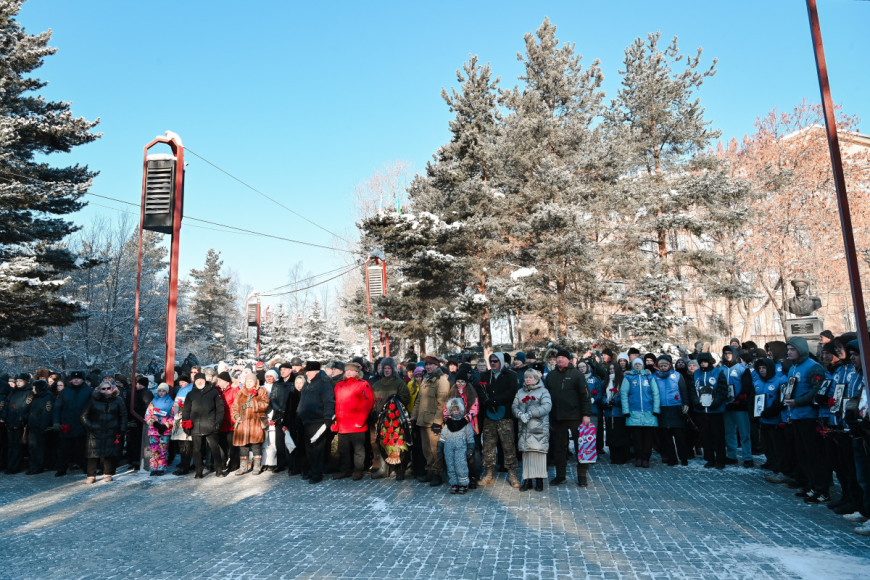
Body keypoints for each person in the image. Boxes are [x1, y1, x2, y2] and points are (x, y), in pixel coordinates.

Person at [784, 336, 830, 503]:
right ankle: (810, 485)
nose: (789, 352)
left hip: (809, 416)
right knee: (803, 454)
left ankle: (822, 489)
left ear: (801, 350)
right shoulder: (793, 367)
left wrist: (798, 401)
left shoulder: (813, 367)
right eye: (788, 350)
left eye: (792, 349)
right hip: (796, 415)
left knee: (814, 454)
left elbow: (817, 391)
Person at [544, 348, 592, 487]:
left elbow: (585, 396)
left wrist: (586, 414)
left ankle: (582, 475)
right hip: (558, 417)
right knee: (559, 448)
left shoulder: (577, 374)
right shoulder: (551, 375)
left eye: (562, 358)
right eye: (558, 358)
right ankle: (560, 475)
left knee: (580, 446)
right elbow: (546, 395)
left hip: (576, 417)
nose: (559, 359)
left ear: (569, 360)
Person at [478, 352, 520, 488]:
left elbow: (512, 391)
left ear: (501, 361)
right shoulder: (485, 375)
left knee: (508, 445)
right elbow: (480, 390)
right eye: (491, 361)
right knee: (488, 446)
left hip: (505, 416)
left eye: (495, 361)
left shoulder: (510, 375)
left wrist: (496, 400)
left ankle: (512, 473)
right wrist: (486, 401)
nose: (493, 363)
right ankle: (489, 472)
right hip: (489, 416)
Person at [412, 356, 451, 486]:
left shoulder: (441, 380)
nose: (428, 367)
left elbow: (442, 403)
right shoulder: (426, 378)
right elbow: (419, 400)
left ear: (437, 365)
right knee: (426, 450)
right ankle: (429, 471)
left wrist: (438, 422)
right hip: (423, 420)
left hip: (433, 421)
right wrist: (414, 416)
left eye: (431, 364)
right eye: (427, 364)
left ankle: (437, 474)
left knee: (435, 450)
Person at [369, 357, 411, 479]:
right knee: (382, 442)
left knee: (398, 443)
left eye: (389, 368)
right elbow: (372, 400)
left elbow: (406, 398)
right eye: (385, 368)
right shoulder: (377, 384)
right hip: (380, 418)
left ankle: (400, 469)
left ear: (393, 369)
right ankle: (384, 469)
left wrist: (395, 401)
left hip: (395, 419)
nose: (387, 370)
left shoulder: (399, 383)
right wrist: (374, 411)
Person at [332, 362, 374, 481]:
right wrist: (335, 421)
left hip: (356, 424)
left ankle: (358, 470)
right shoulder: (339, 385)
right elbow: (336, 404)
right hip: (342, 424)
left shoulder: (363, 384)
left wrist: (360, 421)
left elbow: (367, 403)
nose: (349, 372)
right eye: (347, 370)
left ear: (357, 372)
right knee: (343, 450)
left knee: (358, 450)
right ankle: (345, 470)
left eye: (351, 370)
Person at [81, 378, 127, 483]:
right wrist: (91, 426)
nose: (106, 390)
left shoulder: (118, 400)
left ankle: (108, 473)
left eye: (108, 388)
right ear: (99, 389)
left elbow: (123, 415)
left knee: (109, 452)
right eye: (103, 388)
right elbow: (84, 416)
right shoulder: (93, 400)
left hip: (112, 429)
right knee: (93, 453)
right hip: (96, 430)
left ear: (112, 388)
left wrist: (122, 429)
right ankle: (91, 475)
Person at [512, 368, 552, 492]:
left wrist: (531, 413)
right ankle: (527, 479)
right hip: (524, 429)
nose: (528, 379)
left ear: (536, 379)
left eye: (530, 377)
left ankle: (539, 479)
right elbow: (514, 405)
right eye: (526, 377)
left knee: (538, 453)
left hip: (537, 427)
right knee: (527, 454)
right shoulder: (520, 392)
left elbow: (547, 406)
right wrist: (518, 413)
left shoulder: (543, 391)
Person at [296, 361, 335, 484]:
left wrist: (328, 417)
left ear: (316, 371)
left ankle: (317, 473)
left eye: (309, 371)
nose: (306, 373)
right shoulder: (308, 384)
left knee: (317, 449)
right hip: (306, 420)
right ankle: (312, 470)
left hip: (318, 420)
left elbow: (329, 401)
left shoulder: (324, 383)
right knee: (309, 449)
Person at [182, 372, 225, 478]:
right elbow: (186, 411)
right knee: (197, 450)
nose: (199, 382)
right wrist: (185, 424)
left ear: (205, 380)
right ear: (194, 382)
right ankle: (198, 472)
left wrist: (218, 422)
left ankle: (219, 470)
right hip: (195, 426)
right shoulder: (190, 394)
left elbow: (220, 409)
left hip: (211, 425)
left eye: (201, 380)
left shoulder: (213, 392)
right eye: (197, 380)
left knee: (214, 448)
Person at [444, 365, 480, 488]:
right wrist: (448, 419)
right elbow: (446, 408)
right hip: (455, 427)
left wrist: (465, 419)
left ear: (466, 382)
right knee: (458, 455)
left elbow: (475, 408)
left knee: (472, 453)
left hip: (469, 425)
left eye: (462, 381)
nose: (460, 384)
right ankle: (458, 477)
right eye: (458, 381)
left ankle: (473, 476)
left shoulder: (471, 392)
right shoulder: (452, 392)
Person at [653, 354, 692, 467]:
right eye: (661, 365)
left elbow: (683, 391)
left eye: (665, 365)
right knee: (666, 437)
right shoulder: (654, 377)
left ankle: (683, 458)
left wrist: (685, 403)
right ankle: (672, 458)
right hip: (662, 409)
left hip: (676, 408)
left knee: (679, 435)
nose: (663, 367)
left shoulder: (677, 376)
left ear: (670, 365)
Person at [621, 357, 660, 468]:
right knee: (636, 438)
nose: (638, 366)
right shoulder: (628, 377)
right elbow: (624, 394)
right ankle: (638, 458)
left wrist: (656, 409)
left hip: (649, 412)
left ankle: (646, 458)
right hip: (634, 412)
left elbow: (655, 393)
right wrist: (626, 410)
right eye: (636, 364)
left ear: (642, 365)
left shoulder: (649, 377)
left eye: (639, 364)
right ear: (633, 366)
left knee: (648, 438)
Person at [53, 370, 92, 477]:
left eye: (78, 378)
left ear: (83, 379)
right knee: (64, 449)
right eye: (74, 378)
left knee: (82, 449)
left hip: (82, 425)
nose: (76, 380)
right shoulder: (65, 392)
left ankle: (86, 468)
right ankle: (61, 469)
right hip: (67, 425)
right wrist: (56, 421)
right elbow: (57, 407)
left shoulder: (89, 391)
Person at [721, 345, 755, 468]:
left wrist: (739, 399)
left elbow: (747, 387)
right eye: (725, 353)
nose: (727, 355)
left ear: (734, 354)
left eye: (729, 353)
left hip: (740, 406)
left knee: (744, 433)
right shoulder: (721, 369)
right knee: (729, 432)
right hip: (726, 406)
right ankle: (731, 456)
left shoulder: (742, 369)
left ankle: (747, 457)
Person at [693, 352, 728, 469]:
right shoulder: (696, 373)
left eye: (705, 361)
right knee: (705, 436)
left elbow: (722, 389)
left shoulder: (718, 372)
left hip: (715, 410)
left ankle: (720, 460)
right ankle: (709, 459)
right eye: (701, 362)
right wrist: (696, 402)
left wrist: (716, 402)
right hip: (702, 411)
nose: (703, 364)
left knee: (718, 436)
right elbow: (693, 389)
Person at [231, 373, 270, 475]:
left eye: (251, 381)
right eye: (247, 381)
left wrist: (254, 404)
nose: (248, 383)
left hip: (255, 422)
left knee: (256, 445)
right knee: (243, 445)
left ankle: (257, 466)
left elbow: (265, 404)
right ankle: (243, 467)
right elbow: (235, 406)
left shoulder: (262, 391)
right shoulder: (241, 392)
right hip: (243, 423)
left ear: (255, 382)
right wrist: (236, 416)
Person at [437, 397, 476, 494]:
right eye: (454, 410)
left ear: (461, 410)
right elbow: (443, 436)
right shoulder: (448, 424)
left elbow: (470, 437)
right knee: (450, 466)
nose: (456, 412)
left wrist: (470, 448)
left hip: (461, 448)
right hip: (448, 448)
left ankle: (463, 484)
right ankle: (454, 483)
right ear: (450, 411)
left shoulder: (465, 423)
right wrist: (440, 446)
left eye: (458, 409)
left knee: (461, 466)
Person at [1, 373, 31, 474]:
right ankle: (10, 465)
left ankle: (15, 467)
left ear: (25, 382)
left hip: (20, 423)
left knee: (18, 447)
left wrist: (21, 419)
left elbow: (26, 407)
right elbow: (6, 405)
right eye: (17, 381)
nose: (18, 383)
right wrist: (4, 417)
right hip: (10, 422)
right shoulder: (13, 392)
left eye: (20, 381)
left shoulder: (29, 392)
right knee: (11, 446)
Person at [26, 379, 54, 475]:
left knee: (38, 449)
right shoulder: (35, 396)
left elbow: (47, 413)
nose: (33, 389)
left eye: (34, 388)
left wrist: (42, 426)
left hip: (39, 428)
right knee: (32, 448)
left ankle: (37, 467)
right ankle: (33, 466)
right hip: (32, 426)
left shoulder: (47, 397)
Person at [144, 383, 174, 476]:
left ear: (166, 392)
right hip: (153, 430)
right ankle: (153, 468)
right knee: (154, 450)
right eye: (160, 391)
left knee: (163, 450)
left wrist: (165, 426)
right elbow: (147, 415)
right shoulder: (153, 403)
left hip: (164, 431)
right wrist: (154, 423)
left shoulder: (171, 403)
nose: (161, 393)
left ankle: (161, 468)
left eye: (163, 391)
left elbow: (173, 416)